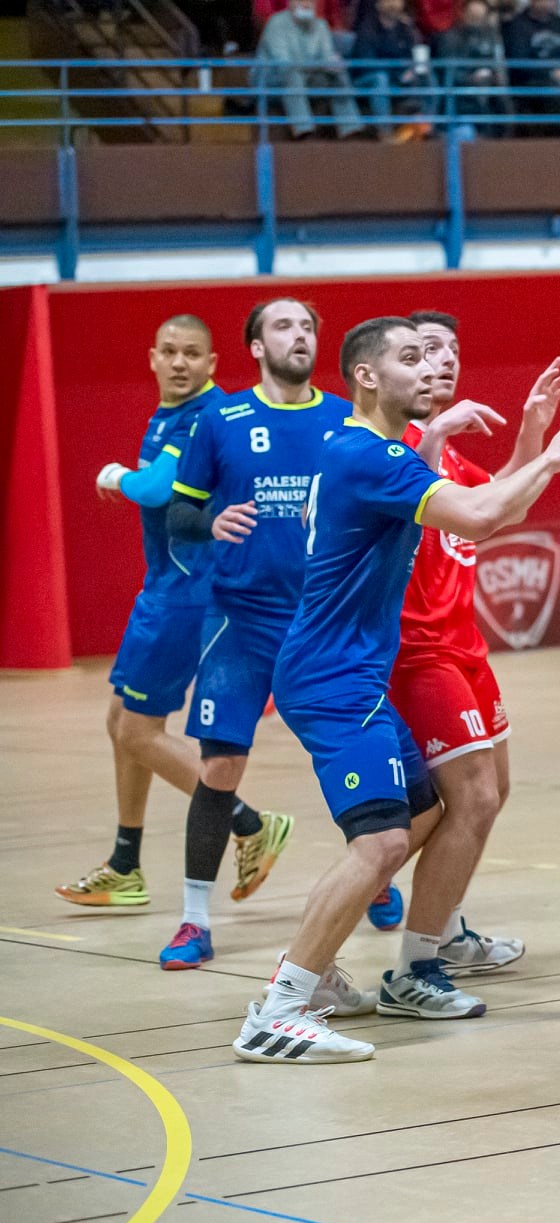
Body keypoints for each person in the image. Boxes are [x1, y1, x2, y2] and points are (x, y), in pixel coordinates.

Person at [233, 318, 560, 1063]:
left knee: (427, 811)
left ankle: (321, 968)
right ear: (366, 377)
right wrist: (555, 454)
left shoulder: (374, 453)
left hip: (352, 669)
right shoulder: (366, 455)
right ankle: (277, 1009)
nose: (430, 367)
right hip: (335, 677)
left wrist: (464, 445)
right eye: (410, 357)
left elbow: (473, 506)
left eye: (435, 353)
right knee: (381, 840)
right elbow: (484, 512)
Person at [57, 318, 289, 912]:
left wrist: (114, 474)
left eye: (193, 354)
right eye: (170, 352)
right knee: (121, 723)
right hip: (162, 586)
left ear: (213, 363)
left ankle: (248, 822)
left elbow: (159, 489)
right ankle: (126, 863)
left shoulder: (203, 418)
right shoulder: (169, 415)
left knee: (138, 730)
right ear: (153, 358)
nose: (180, 362)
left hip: (188, 593)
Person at [157, 299, 350, 972]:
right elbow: (177, 510)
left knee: (349, 755)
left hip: (323, 617)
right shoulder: (222, 419)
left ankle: (376, 878)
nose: (299, 335)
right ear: (256, 348)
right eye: (284, 327)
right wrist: (209, 522)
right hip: (241, 618)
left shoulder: (344, 419)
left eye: (307, 326)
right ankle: (194, 920)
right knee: (220, 766)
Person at [372, 309, 560, 979]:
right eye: (426, 351)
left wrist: (536, 429)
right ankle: (414, 957)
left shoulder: (449, 449)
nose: (443, 362)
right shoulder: (393, 440)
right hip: (417, 652)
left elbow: (499, 506)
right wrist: (438, 435)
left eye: (452, 350)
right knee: (472, 797)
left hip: (465, 648)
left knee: (492, 791)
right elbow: (409, 488)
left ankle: (445, 926)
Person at [255, 0, 366, 138]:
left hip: (307, 76)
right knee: (292, 75)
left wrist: (333, 64)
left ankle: (351, 129)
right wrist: (321, 64)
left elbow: (327, 56)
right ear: (290, 4)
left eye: (310, 2)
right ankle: (304, 131)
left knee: (337, 73)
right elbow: (283, 63)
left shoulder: (321, 25)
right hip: (272, 79)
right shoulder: (276, 23)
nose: (306, 5)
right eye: (301, 1)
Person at [350, 0, 431, 140]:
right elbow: (367, 64)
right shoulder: (367, 28)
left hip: (399, 77)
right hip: (366, 79)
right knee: (380, 79)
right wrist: (398, 74)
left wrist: (412, 70)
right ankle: (385, 131)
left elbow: (414, 55)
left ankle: (428, 127)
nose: (394, 4)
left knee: (428, 75)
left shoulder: (405, 29)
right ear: (378, 4)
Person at [502, 0, 560, 135]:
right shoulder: (517, 25)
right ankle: (556, 143)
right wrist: (551, 73)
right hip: (531, 79)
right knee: (552, 93)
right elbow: (519, 62)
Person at [438, 0, 510, 137]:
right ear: (463, 14)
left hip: (488, 87)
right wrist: (470, 78)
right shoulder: (450, 38)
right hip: (461, 90)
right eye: (473, 17)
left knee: (503, 101)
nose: (476, 22)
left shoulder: (491, 36)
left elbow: (498, 66)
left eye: (480, 18)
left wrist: (494, 76)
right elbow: (448, 71)